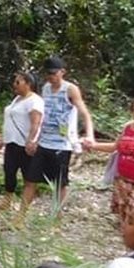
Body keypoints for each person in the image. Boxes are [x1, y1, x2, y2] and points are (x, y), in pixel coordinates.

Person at [33, 57, 94, 205]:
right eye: (48, 73)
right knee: (32, 178)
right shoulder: (46, 88)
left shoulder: (70, 89)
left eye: (54, 73)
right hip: (45, 139)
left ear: (62, 72)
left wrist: (89, 135)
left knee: (60, 182)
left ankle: (57, 216)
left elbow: (84, 113)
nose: (51, 77)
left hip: (62, 142)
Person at [0, 73, 44, 212]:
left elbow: (36, 123)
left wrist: (31, 141)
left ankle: (24, 209)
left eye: (18, 82)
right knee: (9, 172)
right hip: (11, 142)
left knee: (28, 176)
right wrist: (2, 141)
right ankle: (7, 200)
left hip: (24, 145)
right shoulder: (17, 99)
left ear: (28, 84)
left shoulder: (35, 101)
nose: (14, 85)